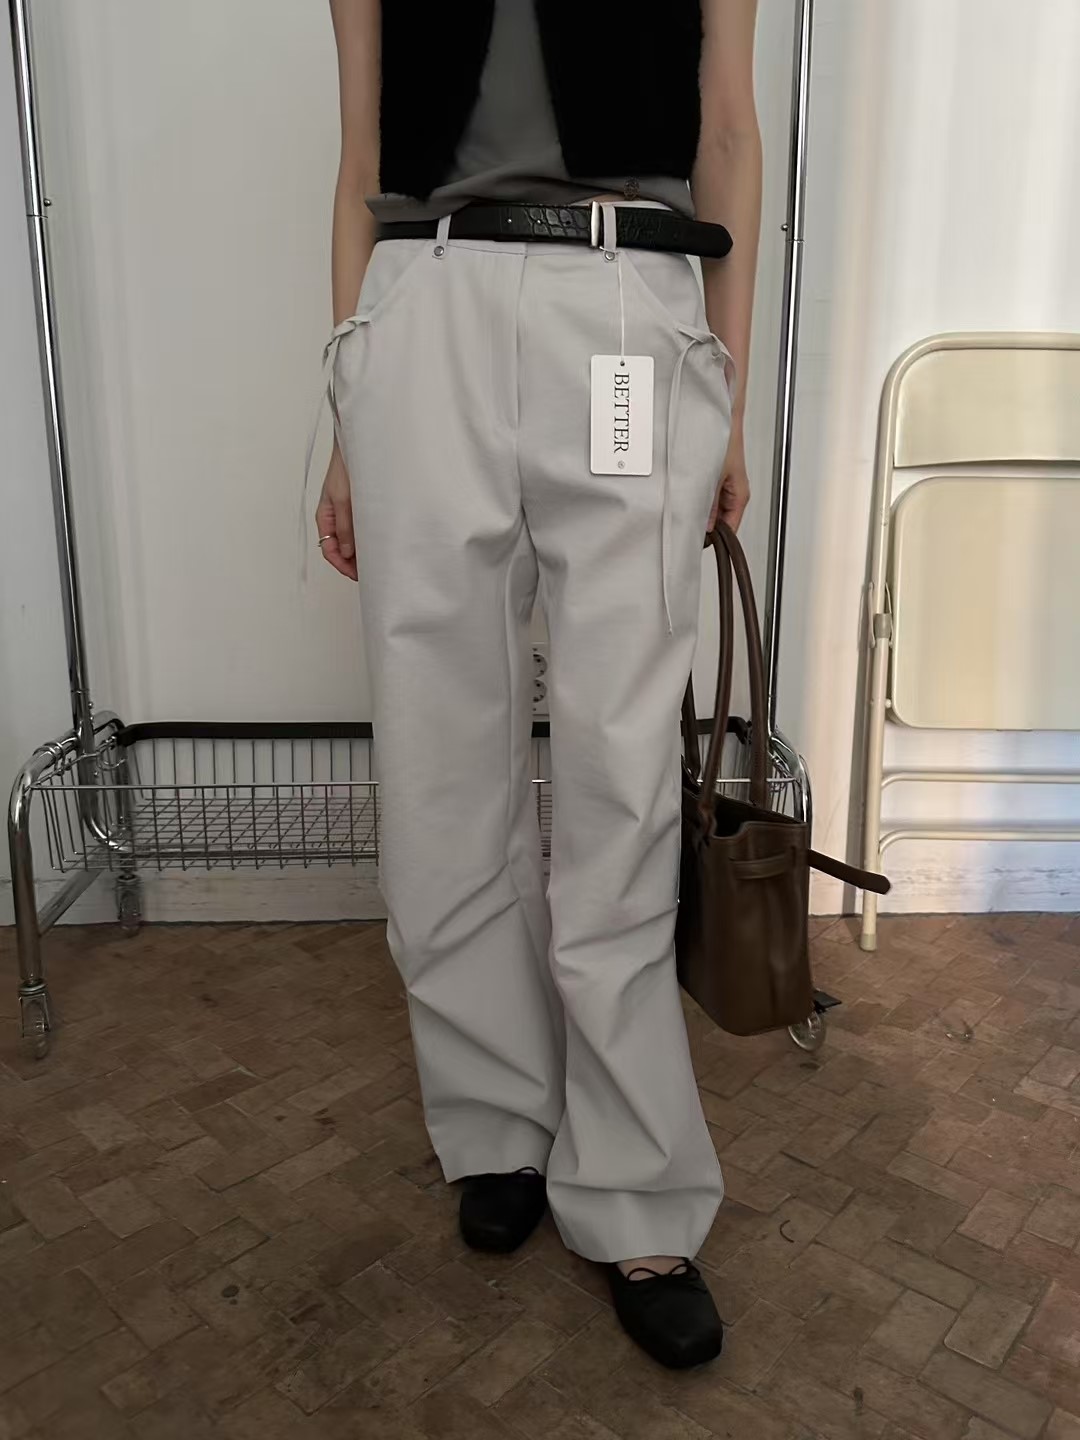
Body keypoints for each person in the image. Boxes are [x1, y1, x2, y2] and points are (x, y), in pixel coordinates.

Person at [316, 0, 761, 1369]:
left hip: (630, 296)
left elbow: (729, 131)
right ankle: (497, 1121)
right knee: (439, 759)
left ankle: (636, 1188)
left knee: (622, 769)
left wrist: (727, 394)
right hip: (427, 301)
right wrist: (345, 415)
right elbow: (357, 158)